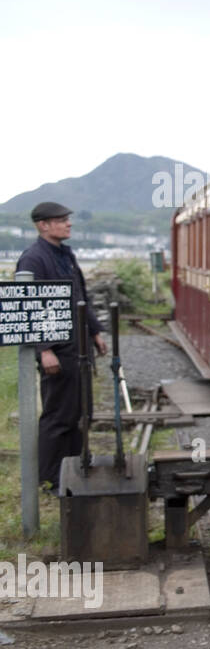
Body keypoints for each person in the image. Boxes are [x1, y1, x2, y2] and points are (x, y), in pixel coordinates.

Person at [15, 202, 108, 491]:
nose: (68, 224)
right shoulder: (33, 260)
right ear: (43, 225)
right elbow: (30, 309)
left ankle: (76, 466)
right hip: (57, 348)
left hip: (78, 345)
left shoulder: (66, 255)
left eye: (67, 219)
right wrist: (44, 350)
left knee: (81, 411)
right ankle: (51, 476)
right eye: (61, 220)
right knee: (59, 414)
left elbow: (80, 296)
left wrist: (94, 331)